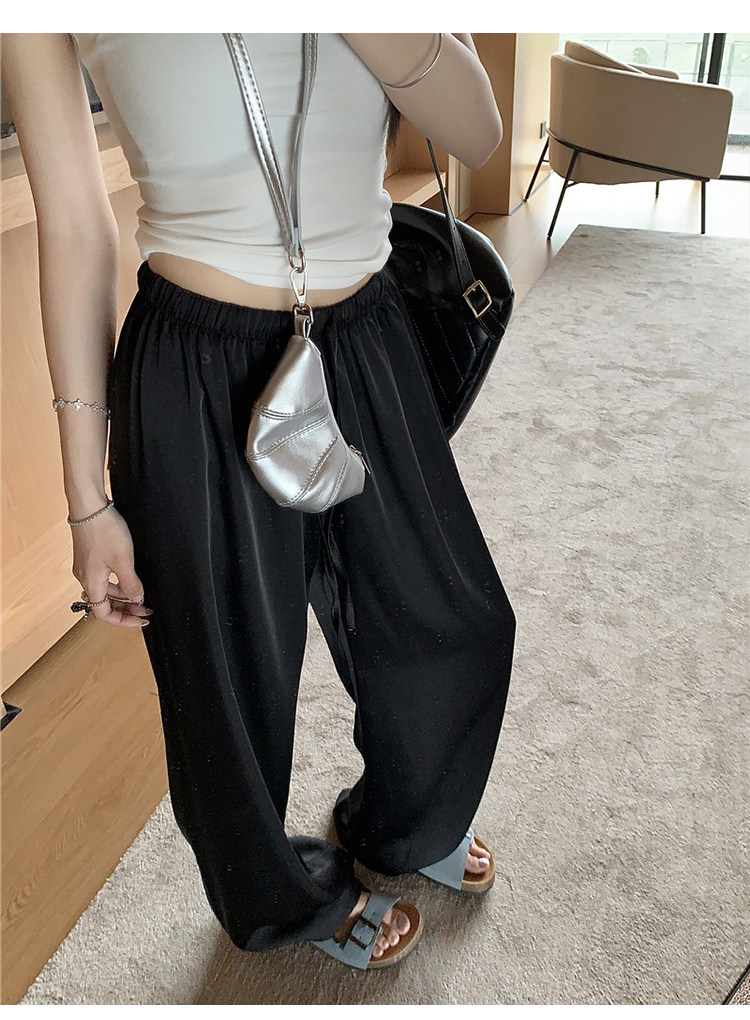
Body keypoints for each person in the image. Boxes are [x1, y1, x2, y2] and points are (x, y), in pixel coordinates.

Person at [2, 32, 516, 971]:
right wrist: (85, 502)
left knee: (452, 618)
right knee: (224, 685)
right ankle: (278, 900)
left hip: (367, 335)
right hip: (189, 363)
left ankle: (407, 821)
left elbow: (478, 131)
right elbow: (74, 225)